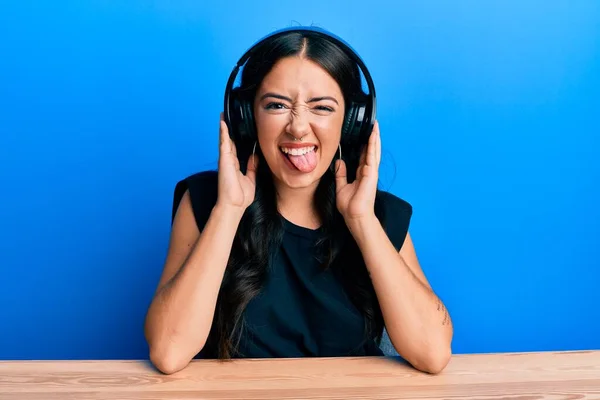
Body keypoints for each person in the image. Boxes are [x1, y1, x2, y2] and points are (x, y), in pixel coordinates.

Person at [144, 26, 453, 375]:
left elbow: (432, 352)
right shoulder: (206, 202)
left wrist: (363, 222)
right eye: (276, 105)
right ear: (246, 117)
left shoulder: (377, 214)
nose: (298, 127)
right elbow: (168, 352)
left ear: (352, 123)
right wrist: (228, 211)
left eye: (322, 107)